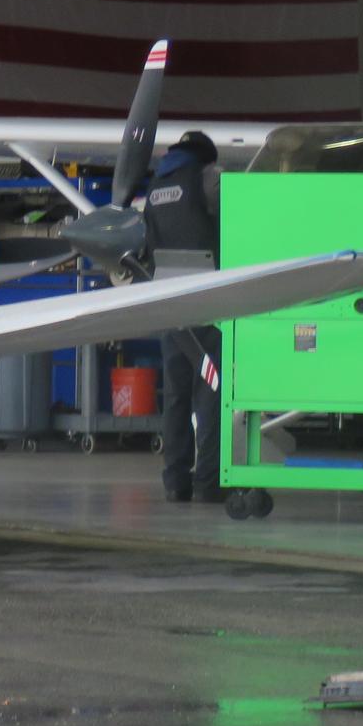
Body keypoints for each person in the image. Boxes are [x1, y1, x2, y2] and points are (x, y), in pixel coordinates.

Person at [143, 130, 223, 503]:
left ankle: (175, 480)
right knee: (211, 392)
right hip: (208, 299)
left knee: (176, 395)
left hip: (169, 299)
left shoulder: (155, 185)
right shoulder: (209, 178)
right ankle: (208, 481)